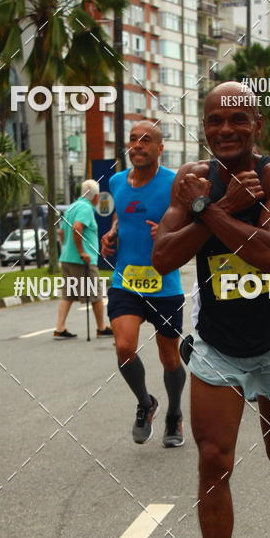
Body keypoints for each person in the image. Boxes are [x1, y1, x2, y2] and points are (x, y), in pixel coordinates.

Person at [153, 82, 270, 538]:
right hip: (217, 344)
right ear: (204, 126)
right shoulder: (192, 181)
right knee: (213, 459)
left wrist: (208, 214)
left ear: (257, 125)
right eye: (215, 120)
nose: (225, 129)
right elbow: (162, 256)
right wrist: (214, 206)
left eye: (237, 119)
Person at [101, 120, 186, 447]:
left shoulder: (174, 182)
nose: (137, 145)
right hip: (126, 280)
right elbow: (121, 215)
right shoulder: (117, 181)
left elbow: (190, 222)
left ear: (160, 148)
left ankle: (174, 414)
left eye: (146, 140)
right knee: (124, 348)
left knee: (170, 358)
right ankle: (146, 403)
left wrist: (169, 232)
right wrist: (112, 233)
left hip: (165, 282)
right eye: (133, 139)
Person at [54, 179, 113, 339]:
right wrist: (81, 251)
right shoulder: (86, 208)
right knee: (96, 294)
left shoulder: (72, 207)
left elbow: (61, 232)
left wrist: (67, 247)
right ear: (96, 196)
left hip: (67, 258)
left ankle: (60, 328)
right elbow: (77, 228)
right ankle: (101, 328)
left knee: (68, 294)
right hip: (83, 260)